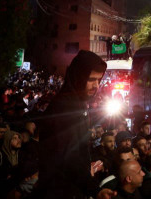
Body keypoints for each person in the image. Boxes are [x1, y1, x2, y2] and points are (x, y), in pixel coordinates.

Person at [35, 50, 114, 199]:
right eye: (91, 79)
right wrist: (94, 189)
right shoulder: (65, 107)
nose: (96, 85)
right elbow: (68, 158)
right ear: (78, 77)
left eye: (99, 79)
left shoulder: (78, 103)